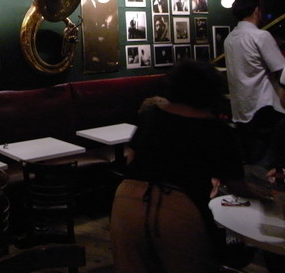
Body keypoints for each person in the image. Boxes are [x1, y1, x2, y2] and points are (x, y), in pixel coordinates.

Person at [110, 60, 264, 273]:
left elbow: (131, 159)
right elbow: (237, 187)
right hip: (179, 209)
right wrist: (267, 196)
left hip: (127, 200)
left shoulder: (151, 115)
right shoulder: (217, 130)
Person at [224, 0, 285, 177]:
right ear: (256, 11)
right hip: (263, 107)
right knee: (268, 161)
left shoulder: (229, 39)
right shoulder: (260, 36)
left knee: (252, 158)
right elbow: (281, 69)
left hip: (241, 109)